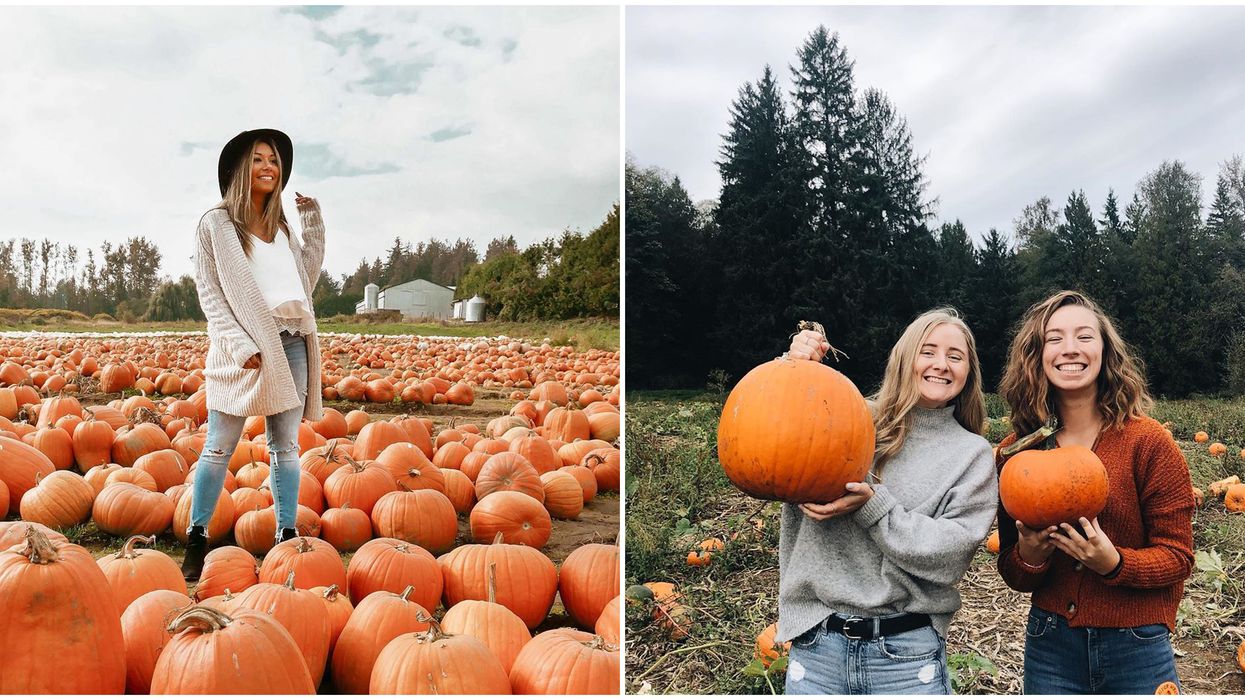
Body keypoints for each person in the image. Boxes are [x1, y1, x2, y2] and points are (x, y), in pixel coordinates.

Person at [779, 309, 999, 695]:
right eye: (928, 351)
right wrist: (794, 369)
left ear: (969, 372)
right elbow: (775, 438)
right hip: (818, 645)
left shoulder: (972, 454)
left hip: (905, 654)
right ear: (905, 357)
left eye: (955, 356)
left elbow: (950, 555)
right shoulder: (847, 417)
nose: (941, 365)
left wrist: (871, 507)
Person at [994, 290, 1194, 694]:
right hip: (1050, 644)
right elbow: (1013, 571)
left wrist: (1114, 562)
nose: (1070, 349)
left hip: (1137, 643)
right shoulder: (1017, 452)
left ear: (1105, 350)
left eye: (1084, 336)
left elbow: (1178, 556)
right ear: (1037, 354)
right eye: (1055, 339)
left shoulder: (1148, 442)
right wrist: (1031, 557)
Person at [182, 128, 326, 579]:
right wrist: (240, 344)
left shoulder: (281, 228)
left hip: (291, 343)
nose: (270, 166)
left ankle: (284, 537)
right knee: (218, 447)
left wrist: (313, 226)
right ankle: (197, 536)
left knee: (284, 448)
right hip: (241, 351)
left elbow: (304, 282)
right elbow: (210, 294)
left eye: (275, 161)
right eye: (260, 159)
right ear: (242, 169)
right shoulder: (216, 224)